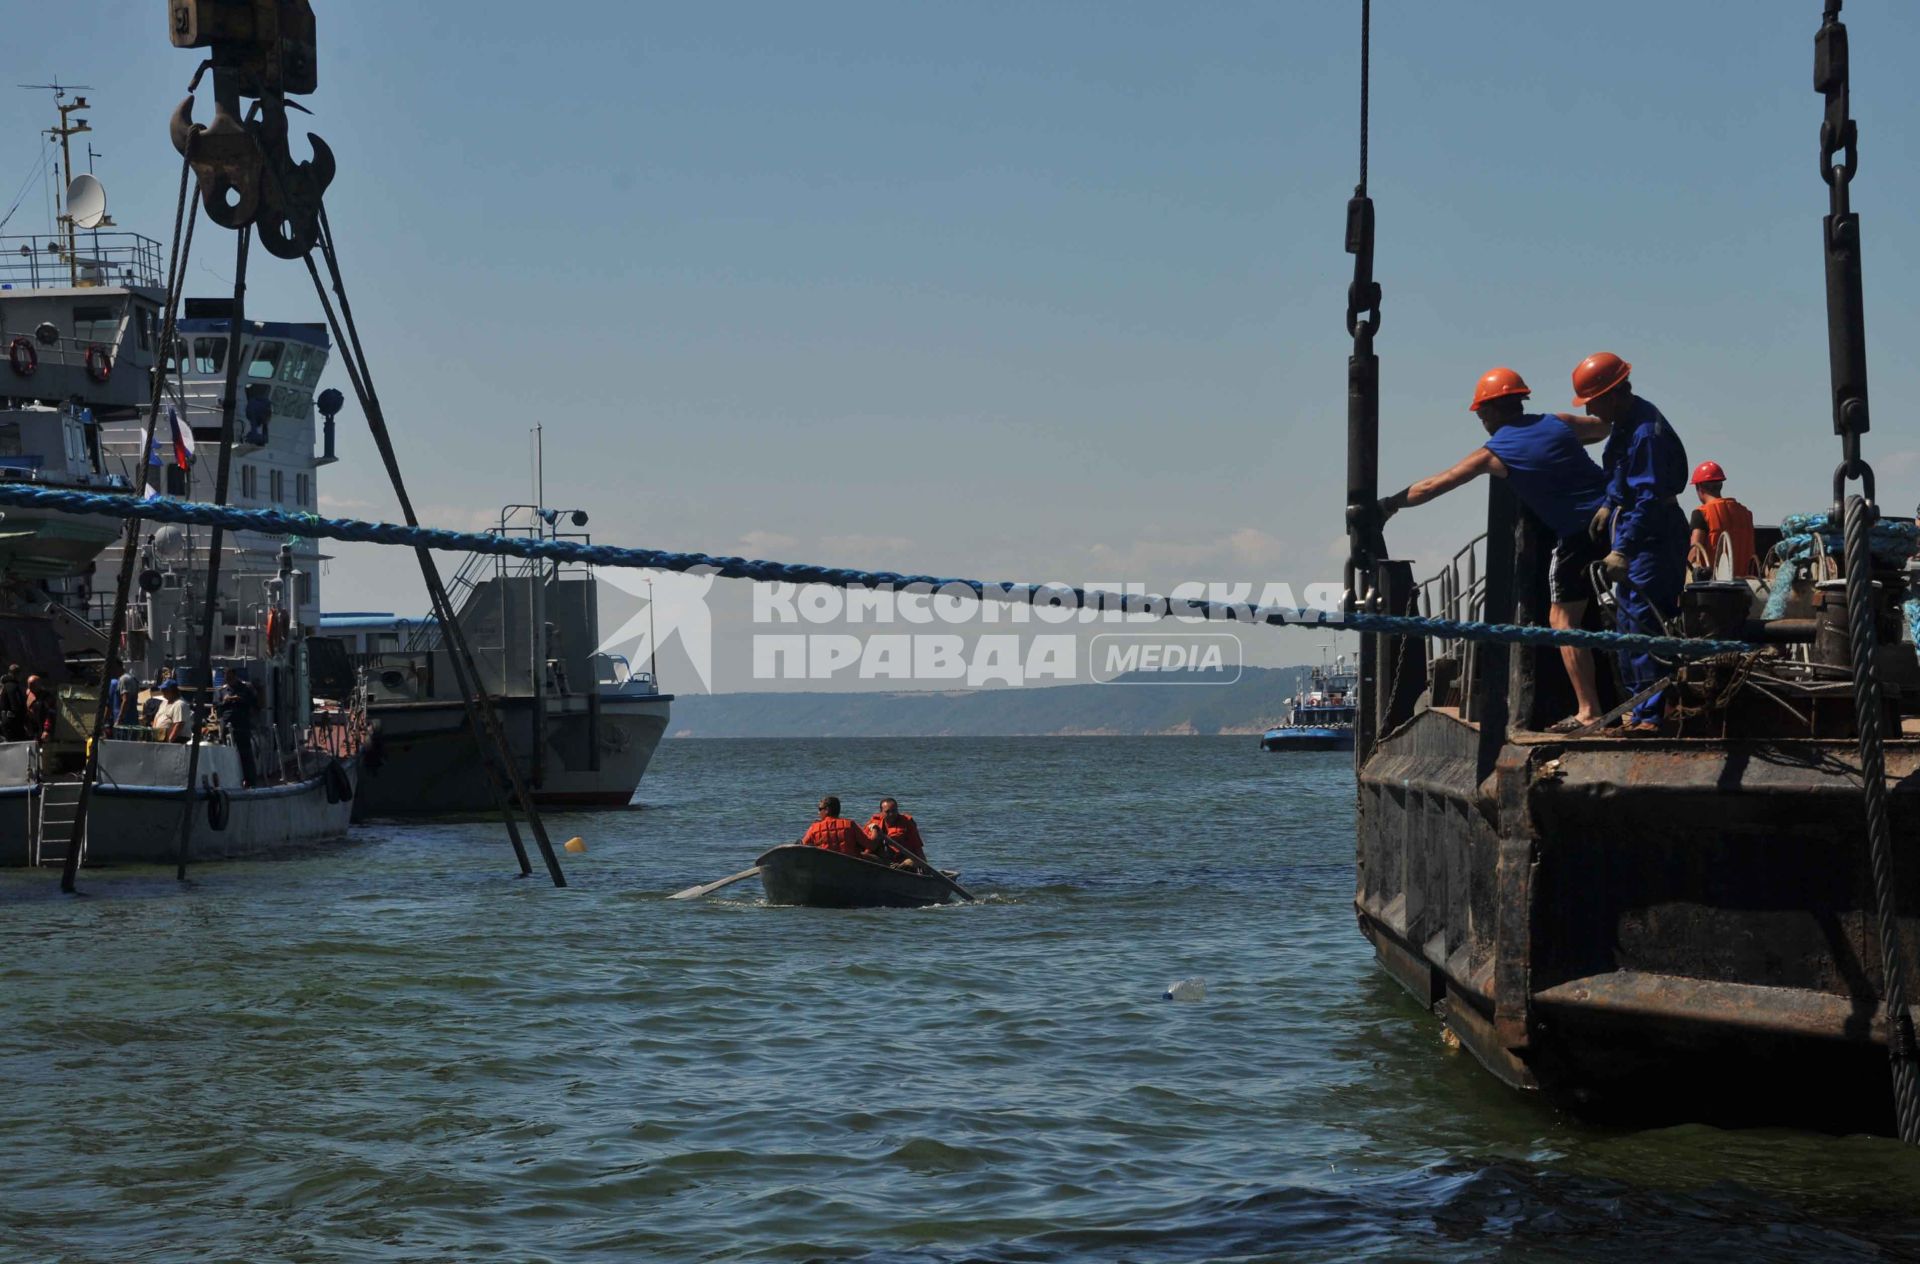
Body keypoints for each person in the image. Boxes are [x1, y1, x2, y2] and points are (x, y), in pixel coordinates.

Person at [1377, 367, 1611, 729]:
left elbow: (1432, 486)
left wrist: (1389, 505)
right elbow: (1603, 428)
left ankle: (1588, 710)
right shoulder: (1561, 423)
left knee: (1562, 621)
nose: (1481, 418)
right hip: (1615, 520)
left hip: (1579, 536)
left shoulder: (1493, 453)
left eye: (1482, 412)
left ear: (1494, 410)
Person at [1572, 353, 1690, 733]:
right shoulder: (1625, 425)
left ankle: (1653, 716)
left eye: (1592, 400)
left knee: (1643, 622)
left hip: (1652, 535)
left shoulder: (1645, 433)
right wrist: (1609, 504)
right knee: (1627, 625)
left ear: (1613, 393)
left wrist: (1624, 548)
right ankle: (1639, 711)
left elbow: (1649, 499)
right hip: (1635, 529)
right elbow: (1621, 475)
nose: (1589, 409)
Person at [1686, 460, 1757, 579]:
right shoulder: (1746, 514)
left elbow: (1694, 553)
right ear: (1720, 485)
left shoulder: (1701, 513)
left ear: (1699, 487)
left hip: (1713, 589)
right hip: (1744, 587)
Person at [217, 667, 261, 787]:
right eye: (226, 677)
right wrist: (225, 701)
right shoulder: (223, 690)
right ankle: (227, 779)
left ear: (235, 676)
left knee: (245, 753)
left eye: (230, 676)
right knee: (225, 751)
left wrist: (240, 699)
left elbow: (255, 704)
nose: (228, 679)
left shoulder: (246, 688)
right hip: (226, 724)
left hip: (241, 724)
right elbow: (218, 706)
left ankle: (250, 780)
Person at [798, 795, 874, 856]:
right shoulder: (850, 824)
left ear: (827, 810)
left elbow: (801, 848)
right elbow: (870, 845)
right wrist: (875, 830)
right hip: (849, 866)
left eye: (820, 809)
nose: (818, 813)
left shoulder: (815, 827)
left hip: (824, 866)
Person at [866, 797, 927, 864]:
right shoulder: (874, 821)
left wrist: (921, 862)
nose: (891, 814)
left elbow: (917, 846)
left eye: (894, 811)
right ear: (881, 812)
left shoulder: (907, 822)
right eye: (887, 812)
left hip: (900, 860)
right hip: (881, 859)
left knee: (910, 862)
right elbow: (863, 840)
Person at [154, 679, 189, 744]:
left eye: (164, 690)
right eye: (162, 690)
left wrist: (170, 741)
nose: (162, 692)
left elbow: (179, 724)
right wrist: (154, 734)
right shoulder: (164, 702)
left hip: (176, 740)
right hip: (161, 737)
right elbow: (156, 718)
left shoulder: (180, 704)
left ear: (172, 691)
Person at [25, 675, 55, 744]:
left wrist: (46, 730)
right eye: (29, 686)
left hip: (41, 728)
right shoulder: (29, 694)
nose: (31, 688)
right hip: (30, 729)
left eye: (33, 686)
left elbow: (49, 715)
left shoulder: (46, 697)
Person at [0, 664, 26, 742]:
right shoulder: (12, 686)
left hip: (5, 720)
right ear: (17, 674)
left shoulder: (4, 685)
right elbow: (15, 705)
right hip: (12, 722)